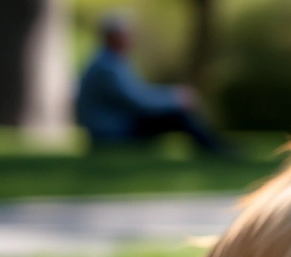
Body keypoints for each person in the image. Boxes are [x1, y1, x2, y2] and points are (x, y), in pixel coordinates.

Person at [75, 13, 230, 154]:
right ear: (113, 37)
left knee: (177, 114)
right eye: (126, 34)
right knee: (177, 116)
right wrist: (176, 98)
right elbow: (139, 101)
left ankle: (215, 147)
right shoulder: (106, 68)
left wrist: (174, 95)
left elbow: (140, 93)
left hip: (115, 128)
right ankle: (217, 150)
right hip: (111, 133)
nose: (131, 38)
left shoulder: (111, 62)